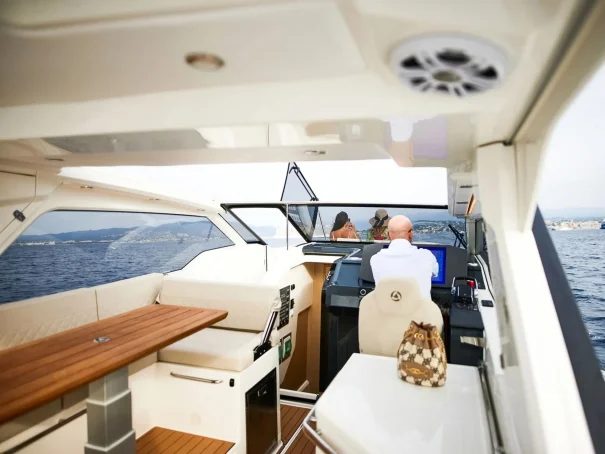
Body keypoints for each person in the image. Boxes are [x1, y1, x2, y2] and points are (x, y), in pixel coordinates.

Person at [370, 215, 438, 299]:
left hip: (387, 307)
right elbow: (434, 274)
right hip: (419, 308)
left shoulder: (376, 259)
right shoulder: (427, 256)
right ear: (411, 233)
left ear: (388, 235)